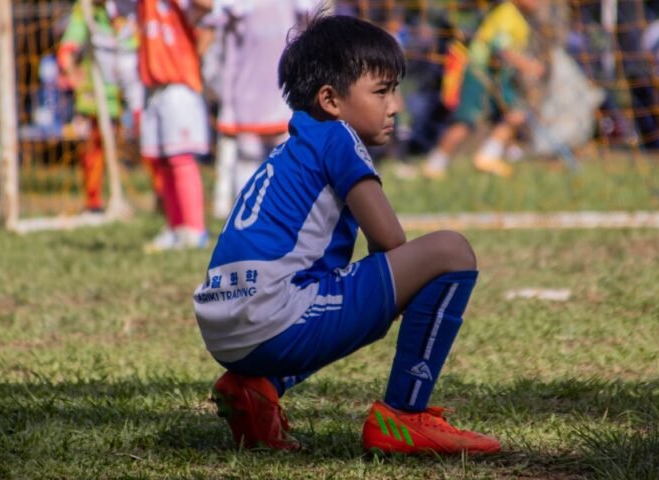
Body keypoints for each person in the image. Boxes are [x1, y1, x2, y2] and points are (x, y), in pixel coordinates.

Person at [194, 14, 501, 455]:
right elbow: (390, 241)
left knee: (355, 296)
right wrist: (397, 294)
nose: (395, 105)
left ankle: (255, 388)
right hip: (271, 315)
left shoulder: (295, 146)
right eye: (381, 91)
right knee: (451, 251)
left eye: (394, 89)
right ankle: (404, 415)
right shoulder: (338, 137)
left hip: (226, 324)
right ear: (331, 100)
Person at [207, 0, 314, 219]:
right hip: (248, 91)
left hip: (285, 92)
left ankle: (288, 216)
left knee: (288, 155)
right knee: (248, 156)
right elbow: (213, 19)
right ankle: (247, 219)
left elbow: (310, 18)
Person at [421, 0, 544, 179]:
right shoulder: (507, 14)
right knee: (465, 121)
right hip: (479, 72)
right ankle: (434, 165)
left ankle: (488, 156)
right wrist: (528, 66)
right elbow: (501, 48)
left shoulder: (517, 17)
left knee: (514, 114)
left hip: (496, 75)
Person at [138, 0, 212, 251]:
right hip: (152, 86)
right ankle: (175, 226)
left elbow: (207, 6)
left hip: (178, 86)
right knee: (163, 161)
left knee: (181, 158)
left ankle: (195, 229)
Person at [58, 0, 143, 213]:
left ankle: (163, 198)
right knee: (94, 147)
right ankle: (93, 202)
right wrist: (72, 74)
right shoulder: (85, 9)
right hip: (95, 93)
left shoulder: (136, 8)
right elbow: (68, 48)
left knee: (148, 145)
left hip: (131, 90)